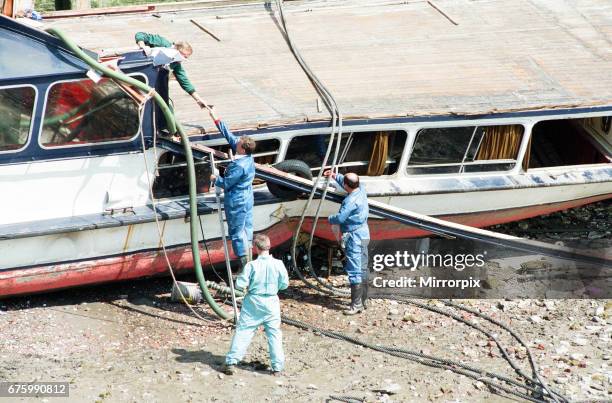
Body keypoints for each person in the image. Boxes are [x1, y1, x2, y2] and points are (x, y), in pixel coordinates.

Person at [224, 234, 289, 376]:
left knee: (244, 331)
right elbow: (284, 285)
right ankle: (277, 367)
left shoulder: (251, 265)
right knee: (274, 334)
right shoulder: (278, 264)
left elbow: (240, 285)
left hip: (253, 300)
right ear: (269, 246)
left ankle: (232, 361)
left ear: (255, 248)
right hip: (271, 301)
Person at [208, 106, 256, 268]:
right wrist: (216, 118)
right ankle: (249, 255)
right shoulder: (248, 157)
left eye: (239, 142)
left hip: (237, 200)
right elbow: (230, 136)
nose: (237, 141)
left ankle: (244, 264)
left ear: (242, 148)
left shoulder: (238, 166)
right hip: (248, 196)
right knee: (247, 228)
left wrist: (216, 178)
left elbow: (227, 183)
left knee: (236, 232)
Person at [325, 170, 370, 315]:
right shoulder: (361, 189)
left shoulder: (350, 201)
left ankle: (356, 305)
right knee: (363, 265)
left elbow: (340, 218)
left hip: (354, 236)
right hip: (364, 232)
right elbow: (348, 183)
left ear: (346, 185)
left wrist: (329, 218)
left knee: (354, 269)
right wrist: (334, 175)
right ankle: (364, 300)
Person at [134, 32, 207, 108]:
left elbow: (184, 80)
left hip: (152, 81)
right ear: (177, 50)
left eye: (186, 58)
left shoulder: (175, 63)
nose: (183, 60)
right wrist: (142, 46)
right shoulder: (162, 43)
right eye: (184, 56)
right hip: (139, 70)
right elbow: (140, 34)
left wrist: (198, 99)